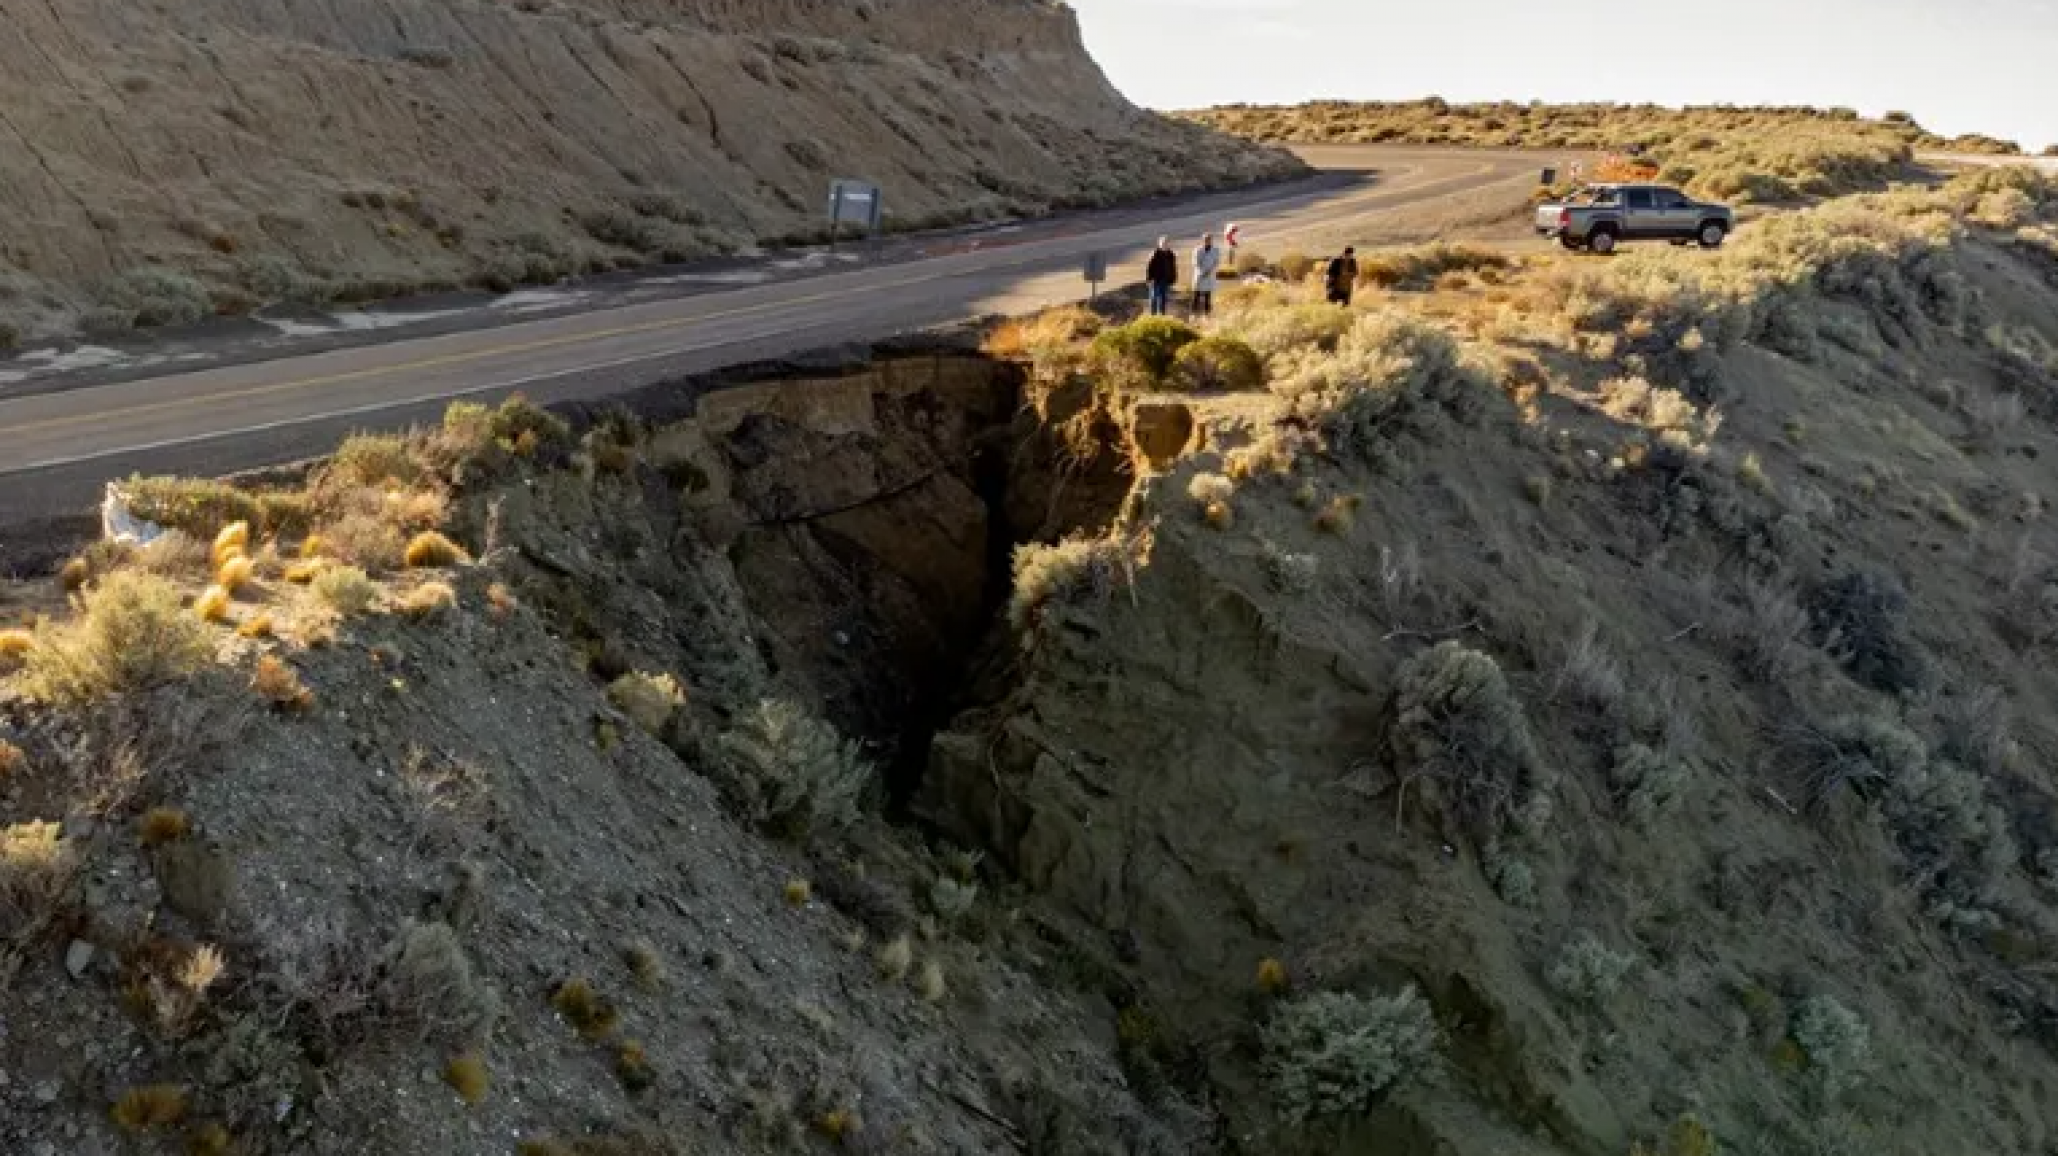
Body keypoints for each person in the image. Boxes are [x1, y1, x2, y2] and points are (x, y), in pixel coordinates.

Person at [1190, 233, 1222, 317]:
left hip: (1209, 275)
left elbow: (1217, 262)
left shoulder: (1216, 250)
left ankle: (1207, 315)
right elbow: (1194, 262)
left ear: (1211, 240)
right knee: (1196, 295)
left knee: (1208, 296)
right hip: (1200, 275)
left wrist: (1210, 271)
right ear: (1202, 240)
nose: (1207, 241)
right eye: (1205, 239)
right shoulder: (1197, 250)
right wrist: (1202, 271)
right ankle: (1193, 314)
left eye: (1209, 239)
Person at [1144, 237, 1178, 317]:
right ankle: (1153, 316)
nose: (1165, 245)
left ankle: (1162, 316)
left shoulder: (1171, 254)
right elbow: (1149, 267)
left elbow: (1173, 267)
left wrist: (1173, 278)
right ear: (1159, 244)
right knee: (1154, 298)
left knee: (1163, 298)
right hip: (1155, 280)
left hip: (1165, 280)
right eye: (1163, 243)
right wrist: (1149, 279)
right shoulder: (1155, 253)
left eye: (1166, 243)